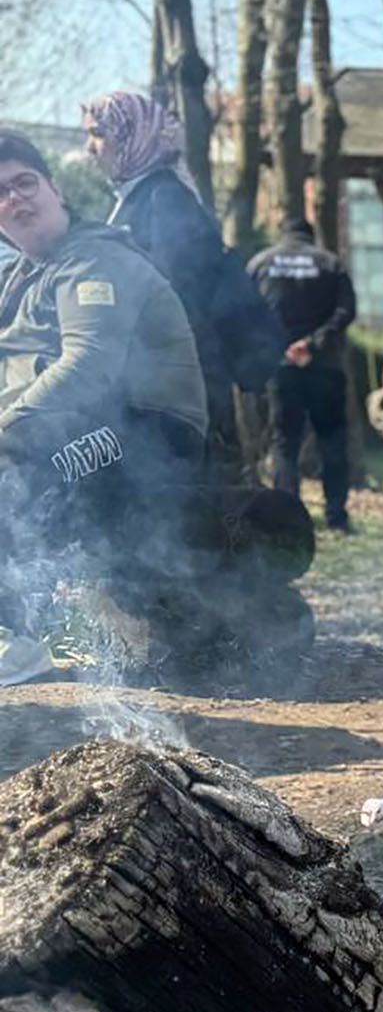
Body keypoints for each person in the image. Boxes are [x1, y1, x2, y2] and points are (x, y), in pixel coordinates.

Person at [0, 129, 207, 680]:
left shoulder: (94, 262)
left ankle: (17, 635)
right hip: (84, 429)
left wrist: (8, 431)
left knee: (13, 472)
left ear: (56, 189)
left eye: (25, 183)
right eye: (0, 193)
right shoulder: (28, 275)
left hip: (147, 430)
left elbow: (89, 368)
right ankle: (65, 631)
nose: (15, 198)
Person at [81, 91, 283, 461]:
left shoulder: (165, 199)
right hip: (160, 386)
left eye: (97, 133)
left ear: (132, 136)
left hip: (176, 393)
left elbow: (178, 302)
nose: (89, 148)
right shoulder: (143, 197)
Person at [248, 219, 358, 533]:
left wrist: (280, 346)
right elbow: (346, 311)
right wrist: (312, 344)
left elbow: (248, 312)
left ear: (282, 235)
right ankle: (337, 518)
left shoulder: (260, 263)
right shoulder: (330, 263)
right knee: (332, 441)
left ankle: (286, 520)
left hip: (281, 368)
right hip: (324, 367)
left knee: (285, 443)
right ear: (311, 237)